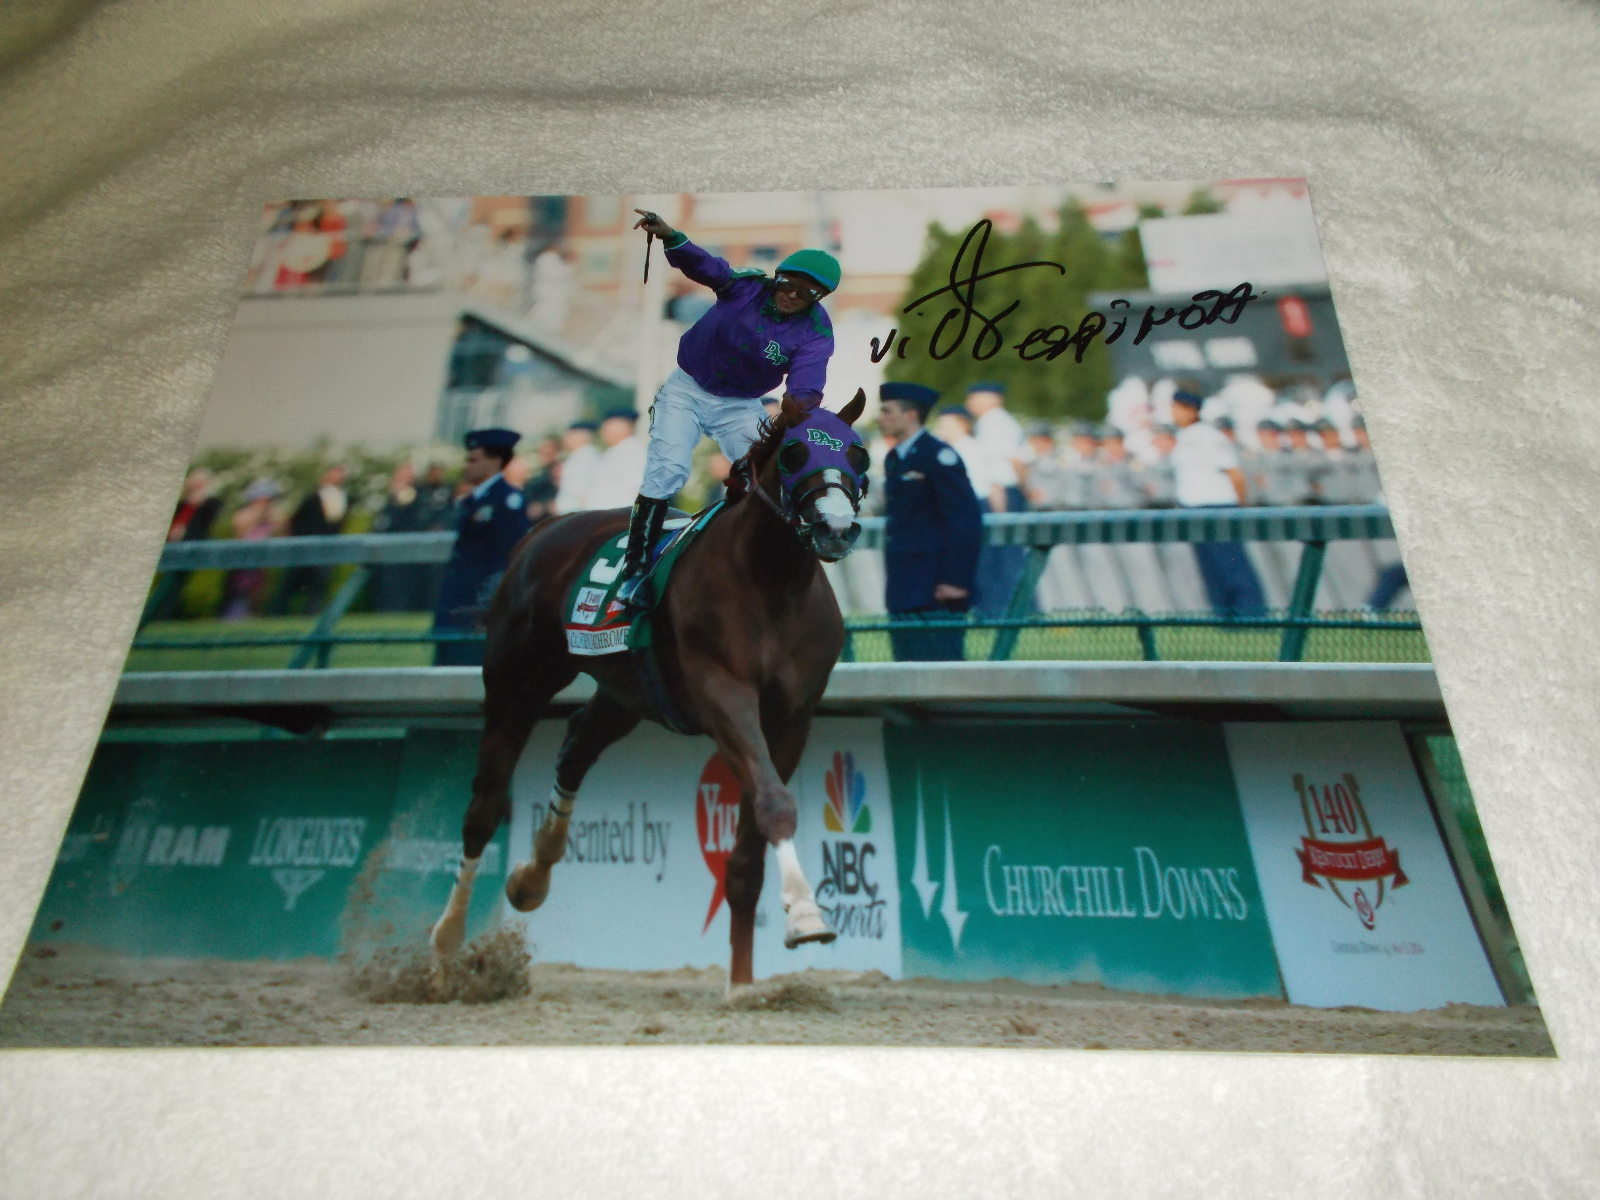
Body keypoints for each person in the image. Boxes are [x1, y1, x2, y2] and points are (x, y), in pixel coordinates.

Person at [622, 209, 839, 602]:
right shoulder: (748, 286)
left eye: (806, 293)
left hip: (740, 405)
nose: (792, 294)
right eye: (788, 283)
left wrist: (797, 413)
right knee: (668, 470)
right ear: (778, 277)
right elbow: (708, 268)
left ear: (818, 298)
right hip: (685, 390)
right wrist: (673, 237)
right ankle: (635, 570)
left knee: (767, 480)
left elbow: (807, 385)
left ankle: (756, 564)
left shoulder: (817, 332)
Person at [877, 382, 983, 662]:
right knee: (906, 668)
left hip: (935, 585)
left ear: (911, 415)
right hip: (904, 583)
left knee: (943, 670)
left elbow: (965, 520)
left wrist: (955, 579)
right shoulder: (895, 458)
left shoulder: (937, 456)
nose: (880, 418)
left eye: (887, 411)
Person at [431, 428, 531, 666]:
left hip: (478, 605)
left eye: (474, 460)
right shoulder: (472, 500)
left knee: (471, 670)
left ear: (496, 461)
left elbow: (510, 556)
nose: (468, 466)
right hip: (457, 600)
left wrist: (489, 607)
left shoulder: (507, 500)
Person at [1169, 390, 1266, 618]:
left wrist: (1239, 507)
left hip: (1217, 506)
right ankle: (1224, 616)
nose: (1173, 413)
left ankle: (1251, 614)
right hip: (1193, 508)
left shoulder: (1210, 436)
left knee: (1232, 564)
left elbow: (1235, 474)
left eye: (1177, 408)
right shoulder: (1182, 438)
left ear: (1191, 410)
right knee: (1211, 568)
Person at [962, 382, 1032, 616]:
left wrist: (1022, 489)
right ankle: (1011, 610)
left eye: (975, 397)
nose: (970, 403)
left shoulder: (993, 423)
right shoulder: (996, 422)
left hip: (1001, 493)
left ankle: (1015, 611)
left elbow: (1009, 462)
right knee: (1003, 554)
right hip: (1002, 491)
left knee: (1006, 554)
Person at [269, 464, 348, 614]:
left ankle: (311, 613)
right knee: (290, 583)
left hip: (327, 548)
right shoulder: (312, 498)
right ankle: (277, 612)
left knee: (319, 585)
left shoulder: (344, 498)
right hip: (305, 546)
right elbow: (297, 520)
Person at [151, 468, 224, 621]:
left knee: (178, 584)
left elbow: (208, 521)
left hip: (193, 548)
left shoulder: (210, 503)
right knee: (167, 583)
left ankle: (170, 614)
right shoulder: (183, 503)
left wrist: (199, 502)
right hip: (174, 547)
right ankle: (161, 613)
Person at [371, 462, 429, 612]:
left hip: (407, 546)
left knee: (405, 584)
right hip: (388, 547)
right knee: (388, 584)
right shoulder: (390, 497)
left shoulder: (416, 494)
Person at [222, 479, 283, 620]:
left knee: (257, 590)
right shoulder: (243, 514)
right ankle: (233, 616)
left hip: (261, 558)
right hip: (243, 558)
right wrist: (258, 514)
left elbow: (281, 529)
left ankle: (251, 614)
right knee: (239, 589)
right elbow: (240, 531)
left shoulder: (272, 515)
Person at [585, 408, 648, 510]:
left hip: (620, 517)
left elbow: (640, 489)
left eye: (607, 426)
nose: (603, 431)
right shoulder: (614, 451)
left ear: (622, 427)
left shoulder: (634, 453)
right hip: (604, 516)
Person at [552, 420, 600, 514]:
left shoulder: (587, 457)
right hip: (569, 513)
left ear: (581, 436)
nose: (566, 439)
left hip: (576, 513)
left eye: (570, 435)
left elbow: (582, 492)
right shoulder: (578, 456)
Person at [521, 436, 561, 520]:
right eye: (544, 449)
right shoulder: (535, 472)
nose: (546, 452)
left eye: (550, 450)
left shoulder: (560, 471)